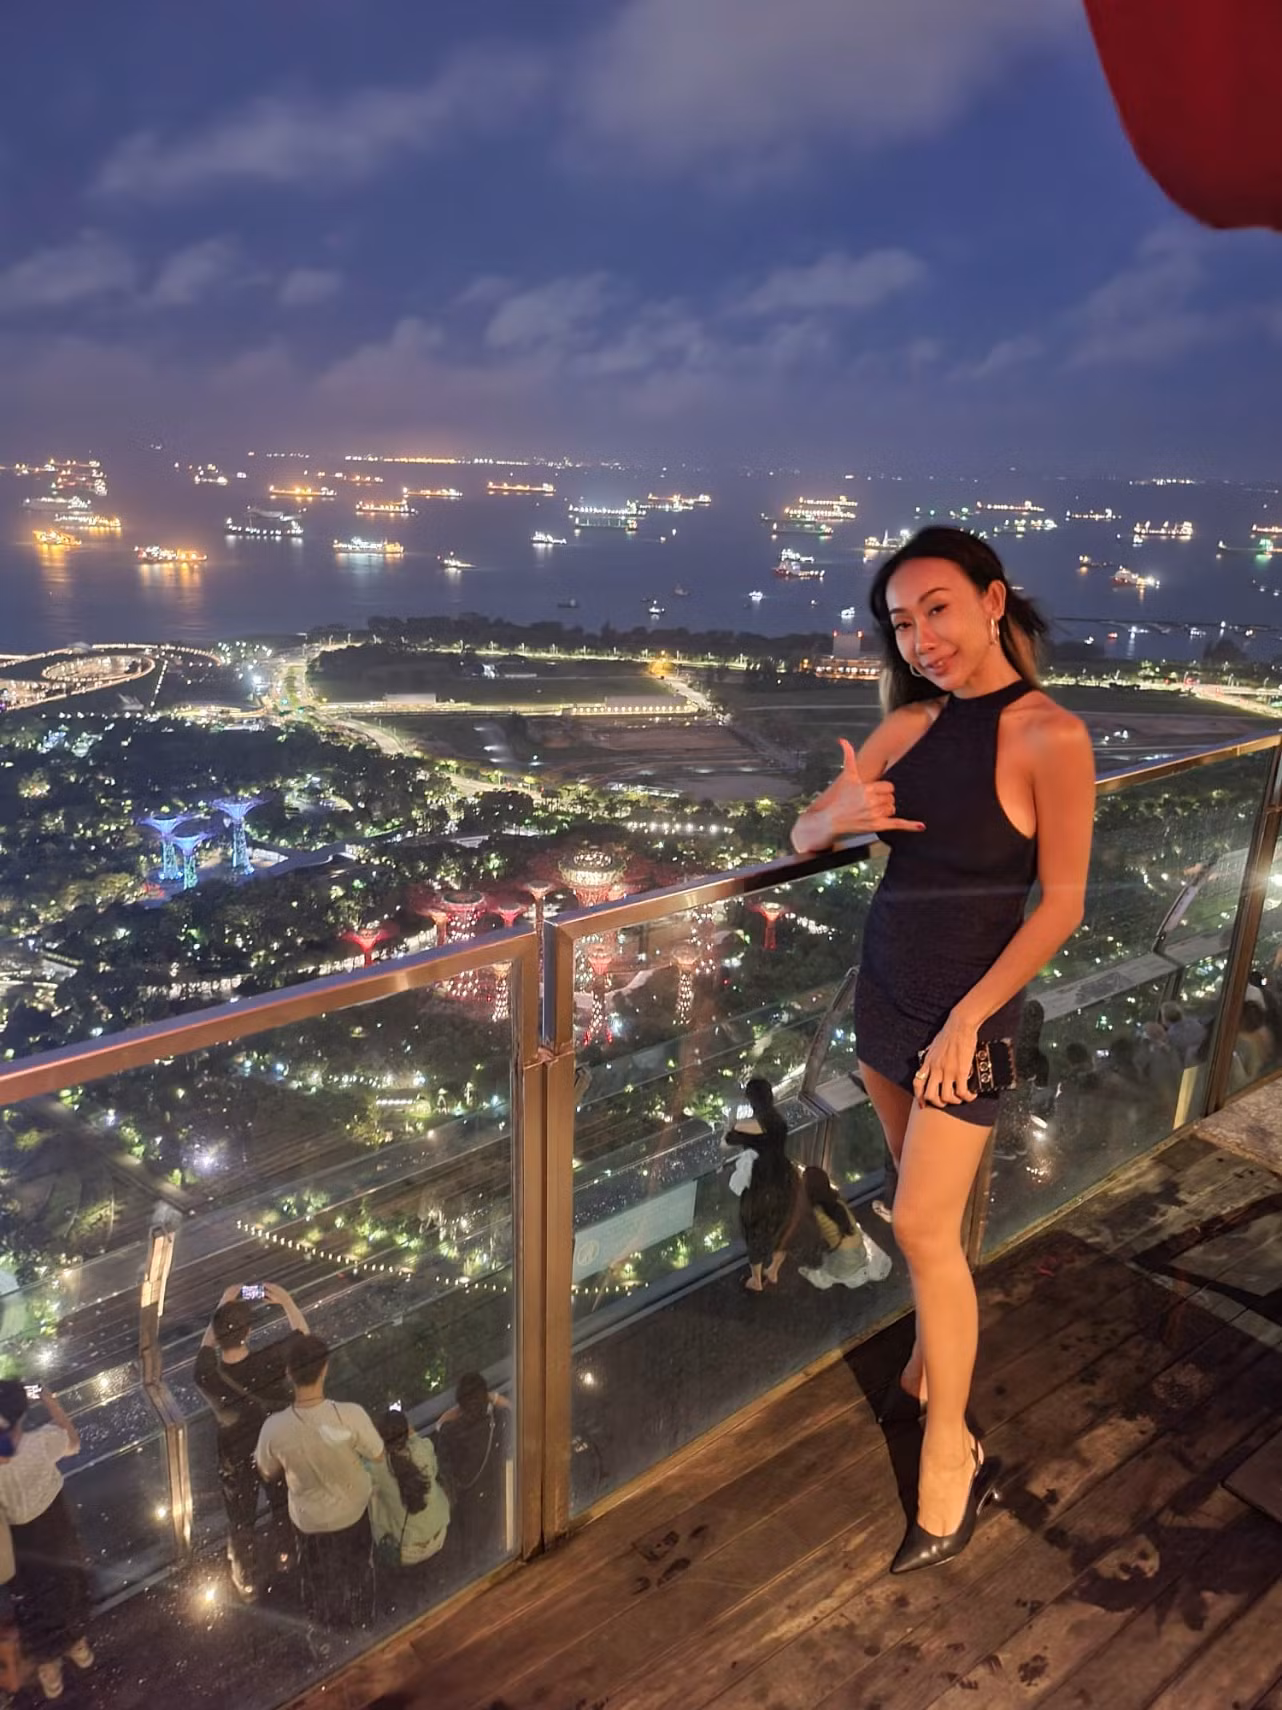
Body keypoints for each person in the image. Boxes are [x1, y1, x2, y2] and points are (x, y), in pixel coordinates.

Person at [791, 526, 1094, 1574]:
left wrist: (973, 1017)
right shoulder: (907, 725)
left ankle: (949, 1452)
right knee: (922, 1202)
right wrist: (830, 818)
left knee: (920, 1223)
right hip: (887, 995)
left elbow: (1060, 906)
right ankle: (925, 1364)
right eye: (901, 622)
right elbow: (803, 836)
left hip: (973, 1013)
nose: (920, 638)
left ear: (992, 601)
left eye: (937, 609)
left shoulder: (1051, 734)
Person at [255, 1335, 383, 1631]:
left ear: (288, 1373)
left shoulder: (274, 1428)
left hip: (308, 1521)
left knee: (316, 1577)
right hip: (353, 1512)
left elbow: (266, 1470)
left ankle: (324, 1629)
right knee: (360, 1568)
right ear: (325, 1369)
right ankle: (363, 1620)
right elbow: (377, 1454)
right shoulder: (350, 1415)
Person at [193, 1282, 308, 1599]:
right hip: (274, 1450)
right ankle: (288, 1557)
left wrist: (223, 1303)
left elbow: (205, 1350)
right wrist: (286, 1300)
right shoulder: (270, 1361)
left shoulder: (205, 1376)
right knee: (282, 1504)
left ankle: (246, 1578)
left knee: (241, 1519)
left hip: (236, 1455)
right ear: (248, 1332)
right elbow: (304, 1337)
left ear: (218, 1337)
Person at [0, 1382, 93, 1702]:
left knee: (32, 1601)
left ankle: (48, 1667)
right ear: (21, 1415)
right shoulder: (39, 1443)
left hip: (21, 1543)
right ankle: (77, 1645)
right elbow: (73, 1442)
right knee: (68, 1585)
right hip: (56, 1529)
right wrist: (50, 1400)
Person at [721, 1078, 820, 1291]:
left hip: (761, 1182)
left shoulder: (745, 1125)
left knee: (756, 1231)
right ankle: (773, 1270)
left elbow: (725, 1144)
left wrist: (730, 1123)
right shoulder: (779, 1121)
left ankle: (756, 1281)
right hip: (784, 1177)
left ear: (750, 1100)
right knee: (784, 1225)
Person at [435, 1374, 511, 1574]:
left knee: (472, 1544)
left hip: (468, 1500)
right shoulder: (498, 1420)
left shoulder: (450, 1432)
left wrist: (458, 1410)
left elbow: (439, 1425)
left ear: (460, 1402)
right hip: (495, 1490)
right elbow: (510, 1407)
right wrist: (493, 1397)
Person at [368, 1409, 449, 1570]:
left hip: (405, 1552)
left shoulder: (376, 1468)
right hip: (440, 1535)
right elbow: (415, 1440)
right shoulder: (424, 1448)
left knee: (374, 1495)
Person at [797, 1165, 892, 1291]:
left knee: (812, 1262)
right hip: (860, 1252)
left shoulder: (814, 1213)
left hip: (843, 1263)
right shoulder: (838, 1203)